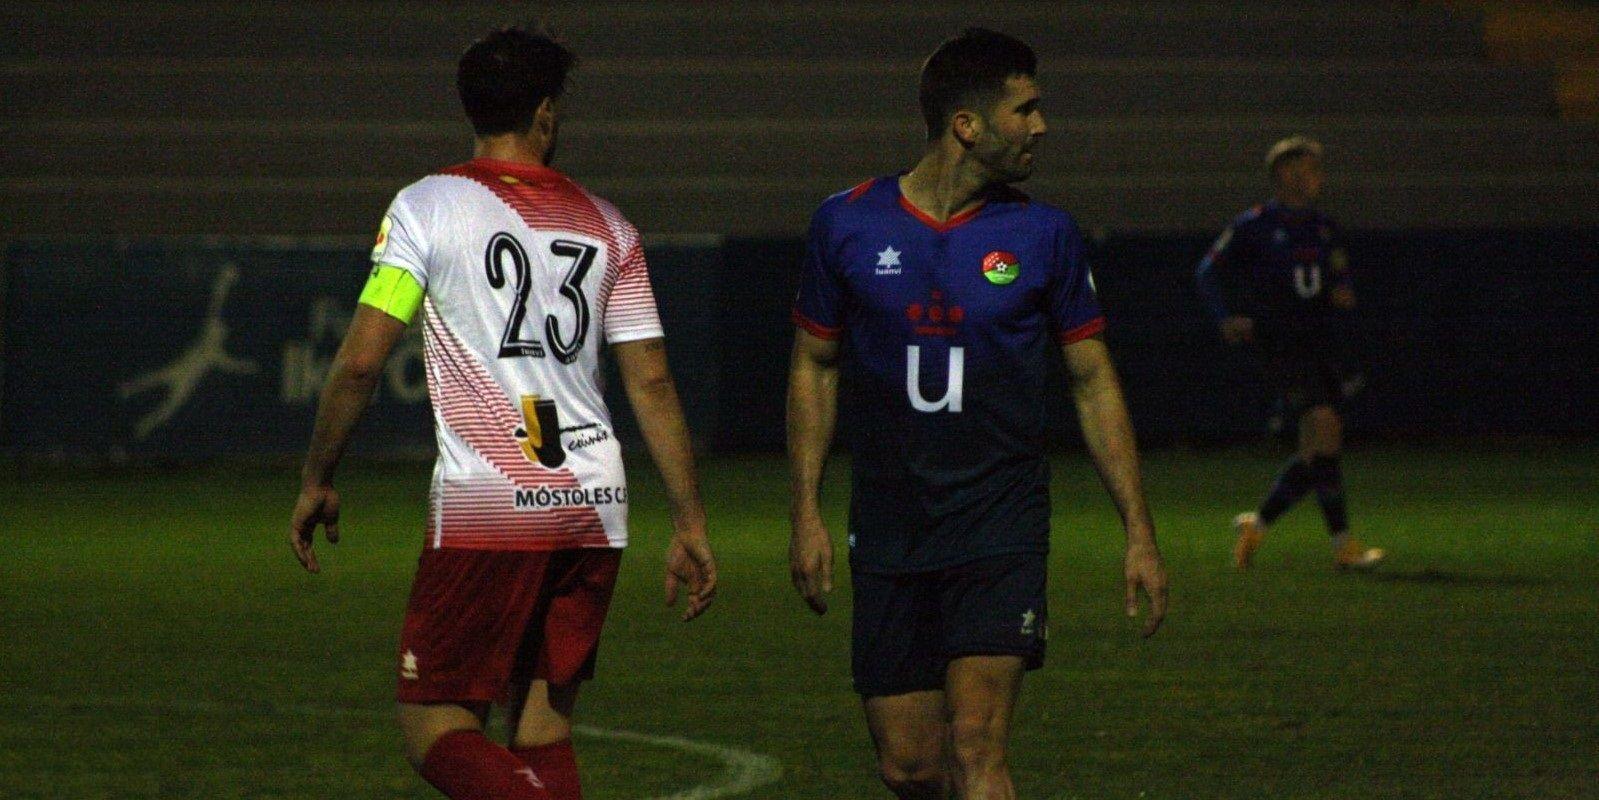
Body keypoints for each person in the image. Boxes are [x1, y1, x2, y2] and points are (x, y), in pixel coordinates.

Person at [286, 27, 716, 800]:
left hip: (492, 502)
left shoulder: (426, 208)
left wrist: (318, 475)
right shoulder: (609, 226)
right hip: (592, 501)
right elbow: (650, 380)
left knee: (435, 727)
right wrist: (688, 521)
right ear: (546, 113)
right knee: (543, 726)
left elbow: (358, 361)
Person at [786, 28, 1168, 800]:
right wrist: (805, 512)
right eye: (1024, 109)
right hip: (890, 523)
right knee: (910, 764)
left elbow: (1092, 382)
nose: (1040, 126)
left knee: (977, 750)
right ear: (967, 125)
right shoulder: (846, 224)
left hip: (1000, 520)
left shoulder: (1043, 234)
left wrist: (1138, 529)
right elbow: (812, 367)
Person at [1194, 135, 1385, 571]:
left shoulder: (1324, 228)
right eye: (1299, 171)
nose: (1308, 180)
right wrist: (1227, 317)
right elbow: (1207, 272)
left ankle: (1259, 527)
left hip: (1319, 343)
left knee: (1318, 449)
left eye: (1314, 172)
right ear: (1280, 176)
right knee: (1324, 424)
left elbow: (1340, 283)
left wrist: (1342, 293)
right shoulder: (1256, 224)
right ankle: (1343, 548)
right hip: (1280, 344)